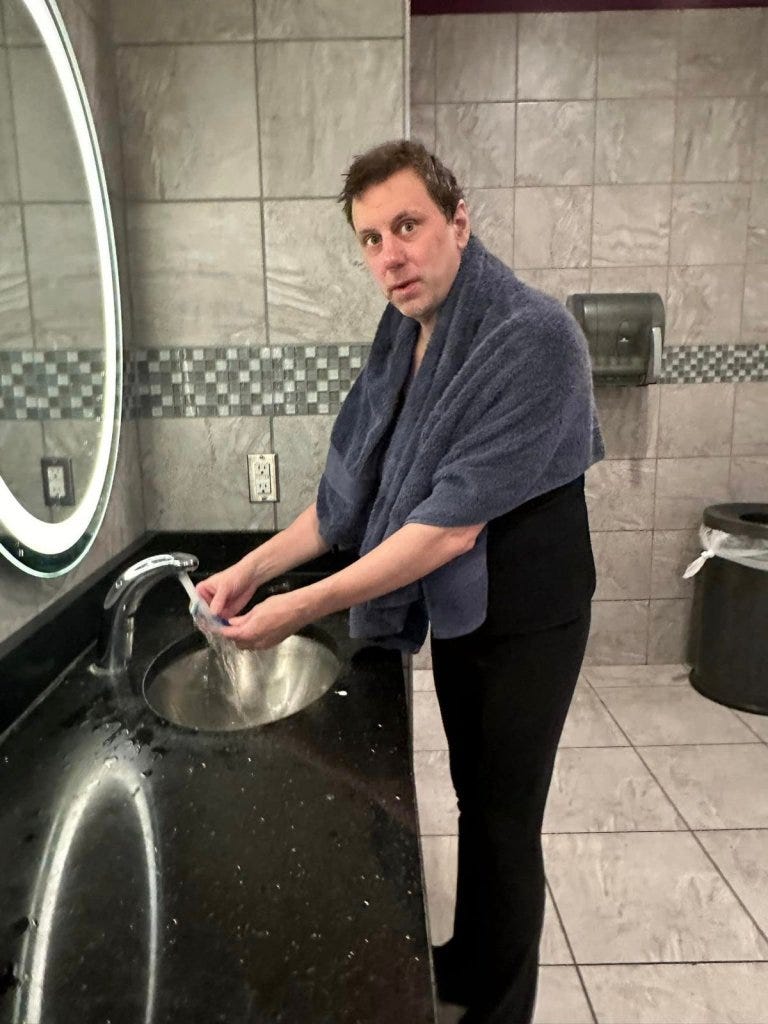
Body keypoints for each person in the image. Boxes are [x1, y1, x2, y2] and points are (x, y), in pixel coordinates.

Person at [198, 139, 604, 1024]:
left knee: (504, 818)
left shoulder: (530, 336)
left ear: (460, 221)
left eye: (409, 225)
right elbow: (355, 496)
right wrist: (249, 569)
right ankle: (468, 962)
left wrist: (295, 607)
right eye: (372, 238)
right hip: (467, 612)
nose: (391, 255)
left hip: (527, 614)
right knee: (473, 795)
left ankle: (503, 1007)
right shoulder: (408, 336)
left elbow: (446, 526)